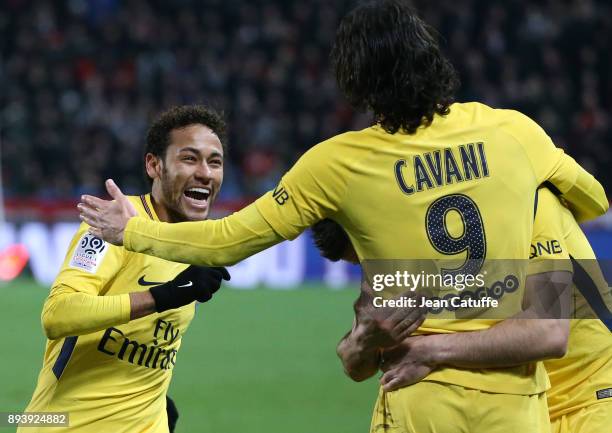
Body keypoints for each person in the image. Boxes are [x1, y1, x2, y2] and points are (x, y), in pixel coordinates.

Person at [78, 1, 608, 431]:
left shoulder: (339, 164)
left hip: (423, 402)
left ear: (354, 81)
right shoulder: (515, 134)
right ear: (432, 57)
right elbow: (596, 200)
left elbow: (224, 241)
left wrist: (132, 229)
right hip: (518, 406)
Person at [315, 186, 611, 433]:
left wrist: (432, 349)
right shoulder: (403, 243)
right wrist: (358, 344)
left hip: (589, 399)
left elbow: (547, 333)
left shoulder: (524, 197)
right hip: (517, 406)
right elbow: (365, 359)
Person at [19, 105, 231, 433]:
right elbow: (58, 314)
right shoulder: (113, 226)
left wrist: (156, 406)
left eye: (214, 161)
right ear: (154, 165)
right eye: (189, 158)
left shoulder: (199, 243)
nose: (204, 172)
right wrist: (165, 295)